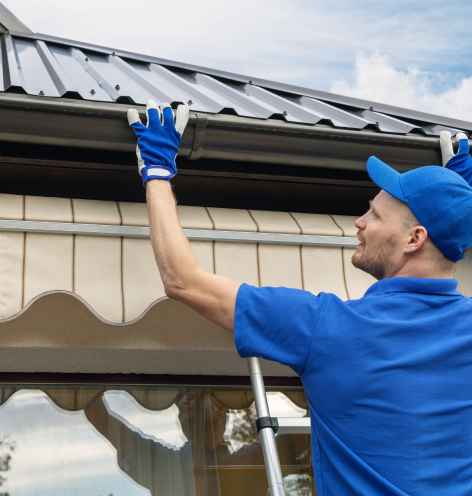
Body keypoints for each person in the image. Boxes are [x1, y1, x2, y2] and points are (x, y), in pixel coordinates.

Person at [127, 101, 472, 496]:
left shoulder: (327, 329)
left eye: (375, 216)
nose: (359, 222)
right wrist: (461, 204)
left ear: (415, 239)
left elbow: (183, 281)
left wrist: (156, 169)